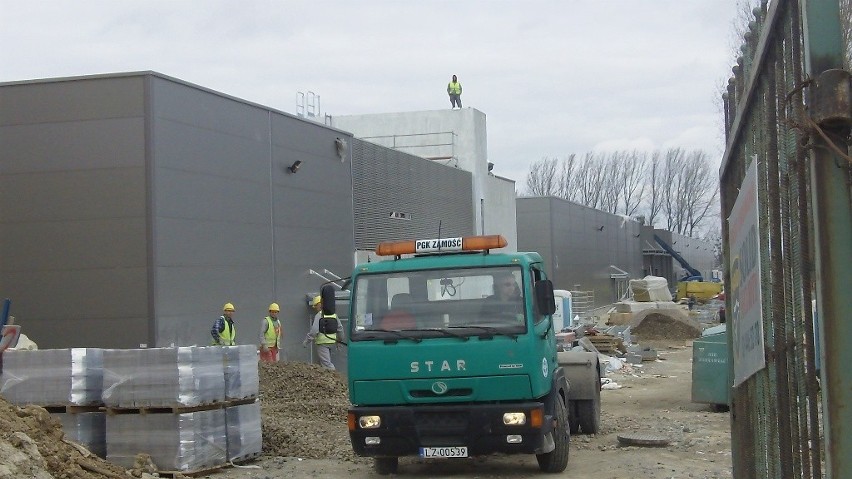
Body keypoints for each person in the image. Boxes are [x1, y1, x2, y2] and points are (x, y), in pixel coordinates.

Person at [302, 295, 343, 370]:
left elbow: (314, 331)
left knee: (327, 364)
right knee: (325, 362)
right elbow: (340, 329)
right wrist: (339, 341)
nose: (316, 309)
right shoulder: (333, 314)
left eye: (316, 306)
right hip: (332, 341)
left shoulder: (319, 315)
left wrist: (306, 341)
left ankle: (335, 377)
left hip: (322, 343)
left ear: (319, 304)